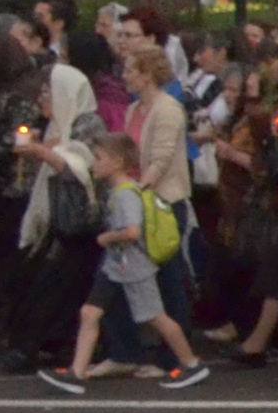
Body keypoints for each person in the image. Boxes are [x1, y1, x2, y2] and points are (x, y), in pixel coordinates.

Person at [37, 132, 213, 394]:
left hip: (132, 267)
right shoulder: (121, 191)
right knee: (90, 313)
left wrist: (108, 237)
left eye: (98, 158)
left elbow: (132, 232)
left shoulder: (125, 195)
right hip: (116, 266)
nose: (93, 164)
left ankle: (190, 363)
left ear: (117, 162)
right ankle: (76, 373)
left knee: (156, 317)